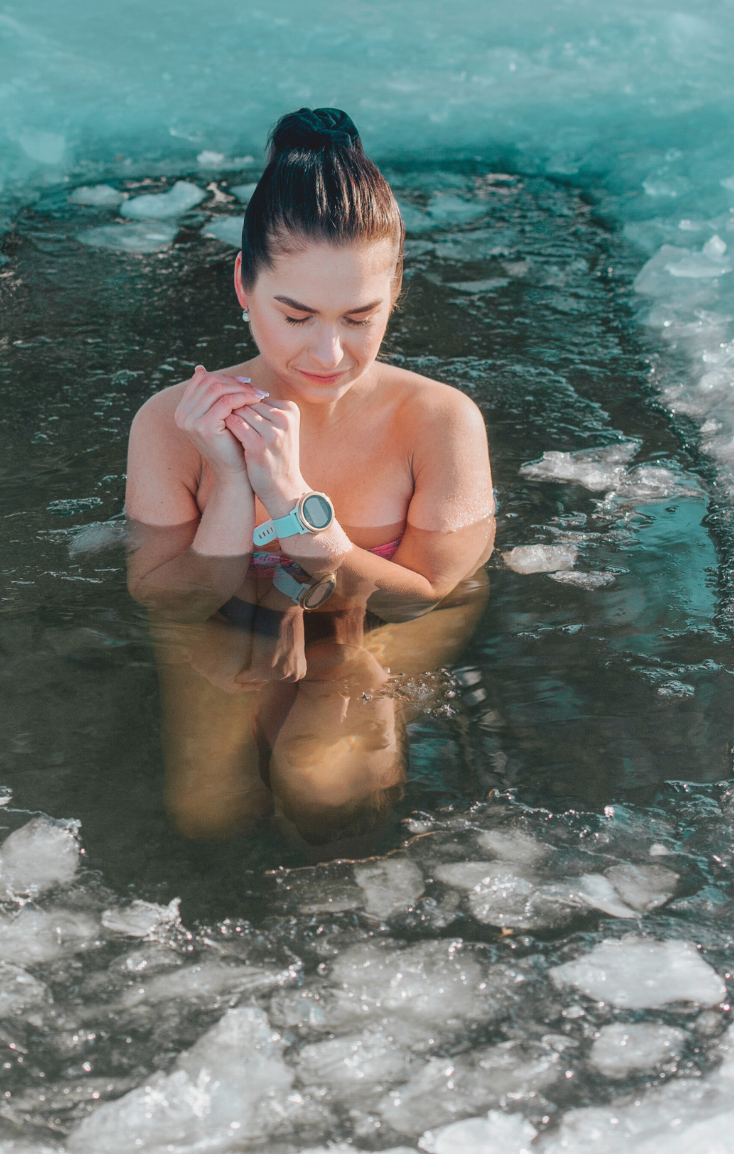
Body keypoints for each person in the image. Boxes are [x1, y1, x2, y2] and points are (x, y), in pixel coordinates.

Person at [125, 108, 496, 859]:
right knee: (209, 815)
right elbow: (169, 600)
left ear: (395, 291)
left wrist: (302, 515)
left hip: (383, 622)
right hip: (230, 622)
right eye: (295, 316)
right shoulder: (172, 423)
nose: (328, 353)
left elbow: (431, 593)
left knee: (328, 784)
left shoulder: (438, 420)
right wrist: (231, 484)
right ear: (243, 285)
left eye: (360, 317)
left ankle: (337, 676)